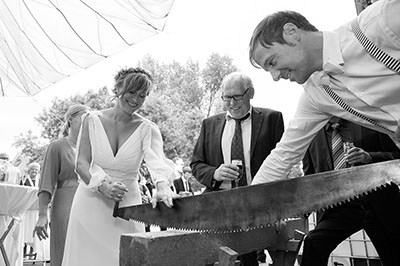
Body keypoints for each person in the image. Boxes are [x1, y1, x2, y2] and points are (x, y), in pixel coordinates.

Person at [248, 0, 400, 184]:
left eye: (272, 62)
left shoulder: (381, 20)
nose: (275, 77)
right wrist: (245, 206)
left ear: (291, 33)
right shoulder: (315, 95)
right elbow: (283, 155)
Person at [62, 67, 177, 266]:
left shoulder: (147, 128)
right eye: (131, 92)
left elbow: (157, 162)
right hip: (90, 202)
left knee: (125, 259)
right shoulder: (91, 119)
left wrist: (162, 186)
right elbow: (81, 163)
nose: (136, 100)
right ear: (117, 88)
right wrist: (102, 185)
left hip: (127, 206)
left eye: (142, 95)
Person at [191, 72, 284, 265]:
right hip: (219, 207)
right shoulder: (209, 124)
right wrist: (214, 173)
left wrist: (278, 208)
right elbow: (196, 164)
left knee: (253, 259)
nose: (231, 103)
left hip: (259, 205)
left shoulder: (272, 119)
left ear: (250, 93)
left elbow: (282, 164)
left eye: (237, 97)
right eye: (226, 97)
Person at [301, 117, 400, 265]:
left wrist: (370, 157)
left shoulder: (368, 122)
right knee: (313, 241)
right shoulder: (311, 136)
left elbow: (396, 156)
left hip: (378, 203)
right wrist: (302, 212)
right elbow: (310, 179)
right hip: (341, 208)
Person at [32, 104, 90, 266]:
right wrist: (43, 215)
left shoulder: (91, 149)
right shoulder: (57, 146)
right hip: (65, 204)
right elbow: (46, 183)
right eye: (83, 117)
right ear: (70, 119)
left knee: (86, 252)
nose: (87, 122)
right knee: (64, 250)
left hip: (89, 203)